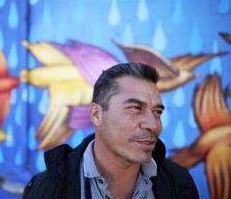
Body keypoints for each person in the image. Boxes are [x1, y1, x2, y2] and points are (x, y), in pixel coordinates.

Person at [22, 63, 199, 199]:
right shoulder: (47, 188)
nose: (153, 125)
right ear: (96, 114)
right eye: (135, 108)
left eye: (157, 112)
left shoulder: (179, 182)